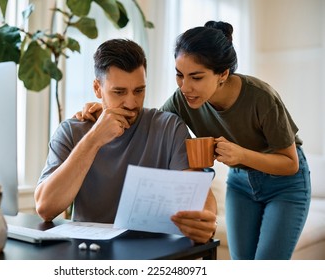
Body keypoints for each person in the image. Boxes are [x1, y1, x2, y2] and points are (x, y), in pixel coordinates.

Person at [75, 21, 311, 260]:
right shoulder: (183, 99)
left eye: (196, 77)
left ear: (223, 74)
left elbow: (290, 163)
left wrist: (241, 156)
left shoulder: (261, 98)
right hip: (240, 182)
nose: (185, 87)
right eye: (179, 75)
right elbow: (150, 123)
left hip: (285, 185)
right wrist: (104, 108)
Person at [34, 38, 217, 244]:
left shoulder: (169, 127)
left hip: (155, 253)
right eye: (119, 92)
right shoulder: (71, 131)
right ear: (97, 88)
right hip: (89, 253)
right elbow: (46, 209)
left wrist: (206, 220)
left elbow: (197, 192)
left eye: (139, 91)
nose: (131, 103)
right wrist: (94, 139)